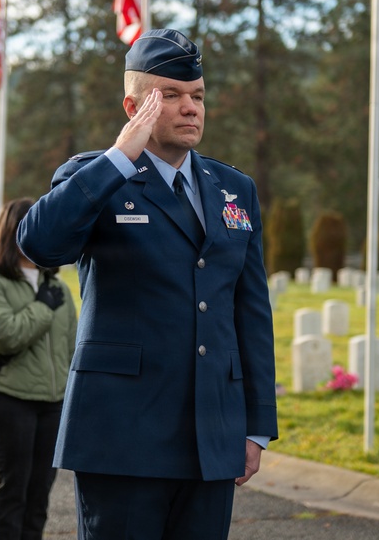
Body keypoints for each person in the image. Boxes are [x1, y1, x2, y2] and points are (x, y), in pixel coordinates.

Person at [16, 28, 278, 539]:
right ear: (133, 105)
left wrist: (255, 426)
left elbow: (251, 312)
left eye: (197, 96)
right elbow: (40, 244)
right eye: (171, 96)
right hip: (122, 435)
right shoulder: (94, 176)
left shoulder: (234, 189)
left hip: (212, 435)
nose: (190, 108)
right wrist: (119, 157)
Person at [0, 197, 78, 540]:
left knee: (40, 493)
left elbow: (71, 346)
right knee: (14, 489)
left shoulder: (56, 286)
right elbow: (6, 337)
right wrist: (42, 309)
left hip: (53, 402)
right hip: (10, 398)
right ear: (14, 232)